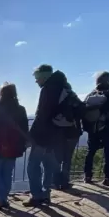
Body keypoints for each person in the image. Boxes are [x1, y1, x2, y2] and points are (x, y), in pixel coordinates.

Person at [27, 64, 77, 206]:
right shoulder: (64, 87)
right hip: (57, 135)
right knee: (48, 165)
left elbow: (42, 115)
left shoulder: (48, 89)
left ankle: (37, 196)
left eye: (37, 77)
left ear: (44, 76)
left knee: (32, 166)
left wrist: (31, 136)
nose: (36, 81)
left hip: (43, 135)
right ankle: (46, 194)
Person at [0, 82, 29, 210]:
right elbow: (24, 128)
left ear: (1, 94)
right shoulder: (21, 109)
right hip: (14, 145)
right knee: (8, 173)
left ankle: (0, 199)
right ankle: (5, 197)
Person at [82, 71, 109, 186]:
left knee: (91, 151)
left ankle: (87, 175)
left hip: (94, 126)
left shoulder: (92, 93)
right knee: (108, 153)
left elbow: (85, 107)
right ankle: (107, 178)